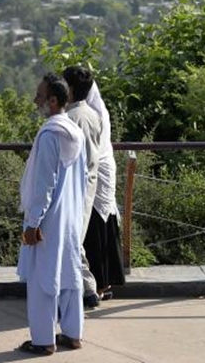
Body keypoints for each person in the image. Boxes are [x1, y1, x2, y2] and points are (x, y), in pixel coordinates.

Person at [16, 74, 87, 356]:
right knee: (70, 274)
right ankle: (73, 333)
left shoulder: (50, 134)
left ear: (53, 101)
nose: (36, 101)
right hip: (70, 215)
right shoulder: (74, 132)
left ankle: (44, 339)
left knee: (43, 279)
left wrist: (33, 222)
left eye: (39, 96)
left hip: (49, 220)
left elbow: (43, 184)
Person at [61, 65, 103, 309]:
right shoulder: (91, 115)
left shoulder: (73, 118)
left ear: (71, 89)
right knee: (73, 238)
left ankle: (87, 289)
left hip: (76, 186)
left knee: (71, 238)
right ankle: (86, 287)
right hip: (87, 183)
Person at [82, 78, 126, 299]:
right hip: (104, 172)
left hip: (96, 173)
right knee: (103, 227)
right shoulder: (98, 111)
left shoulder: (89, 115)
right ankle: (103, 284)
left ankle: (97, 286)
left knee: (95, 230)